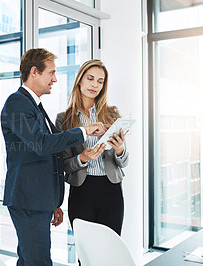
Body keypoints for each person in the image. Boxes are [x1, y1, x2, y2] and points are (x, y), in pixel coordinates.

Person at [0, 49, 107, 266]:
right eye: (51, 73)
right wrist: (84, 131)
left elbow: (48, 155)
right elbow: (42, 144)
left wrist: (54, 202)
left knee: (29, 259)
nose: (55, 79)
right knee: (38, 261)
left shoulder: (34, 106)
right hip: (28, 200)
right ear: (34, 72)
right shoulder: (17, 103)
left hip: (38, 200)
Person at [55, 59, 129, 240]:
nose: (95, 85)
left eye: (100, 81)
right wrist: (82, 158)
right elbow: (64, 165)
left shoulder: (112, 114)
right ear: (79, 80)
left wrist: (120, 149)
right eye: (90, 78)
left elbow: (124, 161)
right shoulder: (64, 119)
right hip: (82, 192)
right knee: (86, 253)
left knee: (109, 251)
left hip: (111, 191)